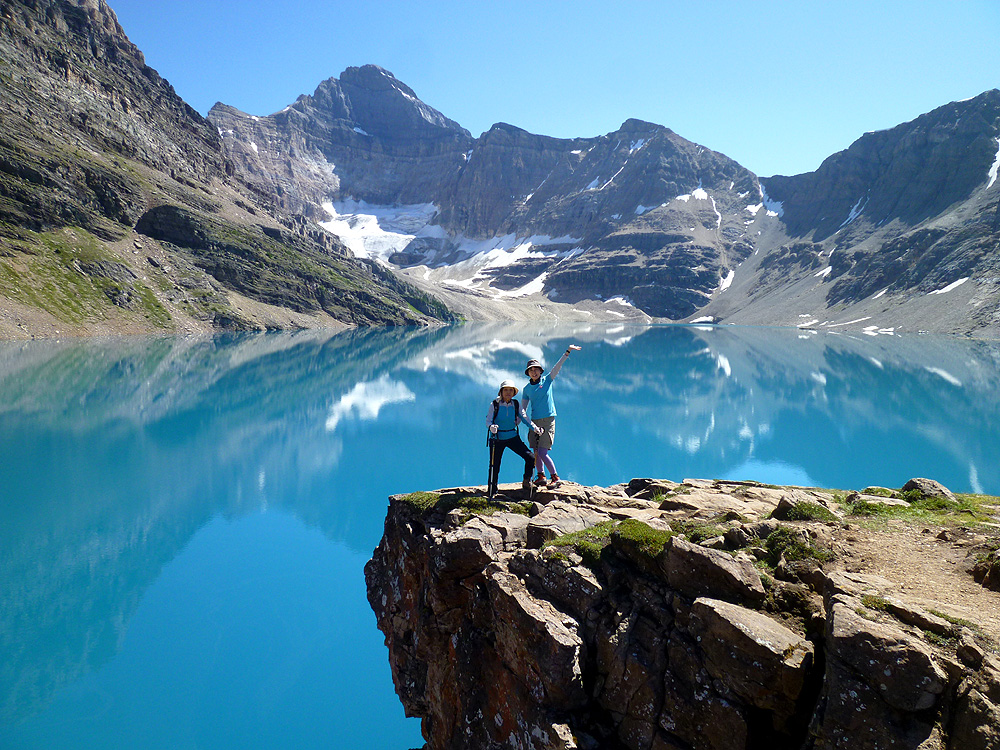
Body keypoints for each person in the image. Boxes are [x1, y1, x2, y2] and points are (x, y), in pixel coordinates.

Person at [521, 344, 581, 487]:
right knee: (536, 452)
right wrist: (528, 423)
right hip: (534, 422)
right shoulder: (526, 389)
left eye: (536, 370)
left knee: (542, 452)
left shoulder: (547, 380)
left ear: (541, 371)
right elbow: (523, 409)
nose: (534, 372)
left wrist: (567, 352)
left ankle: (555, 477)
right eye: (531, 370)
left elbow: (557, 366)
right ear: (528, 373)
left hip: (548, 420)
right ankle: (541, 476)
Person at [486, 380, 540, 498]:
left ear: (514, 392)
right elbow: (488, 421)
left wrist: (534, 428)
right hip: (497, 438)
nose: (508, 392)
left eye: (511, 390)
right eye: (506, 390)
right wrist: (491, 427)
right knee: (495, 465)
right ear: (501, 392)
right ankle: (492, 490)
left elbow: (524, 417)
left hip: (512, 436)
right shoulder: (494, 404)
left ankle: (527, 481)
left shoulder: (515, 404)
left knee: (530, 457)